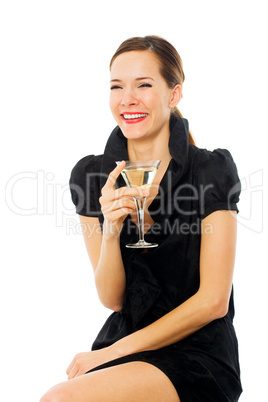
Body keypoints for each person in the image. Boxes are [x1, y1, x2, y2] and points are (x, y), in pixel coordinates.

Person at [40, 35, 242, 402]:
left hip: (198, 354)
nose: (127, 98)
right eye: (117, 86)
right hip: (125, 343)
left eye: (144, 85)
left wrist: (111, 353)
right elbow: (113, 298)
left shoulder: (210, 170)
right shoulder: (90, 177)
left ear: (174, 94)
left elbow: (214, 301)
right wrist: (112, 226)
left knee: (61, 399)